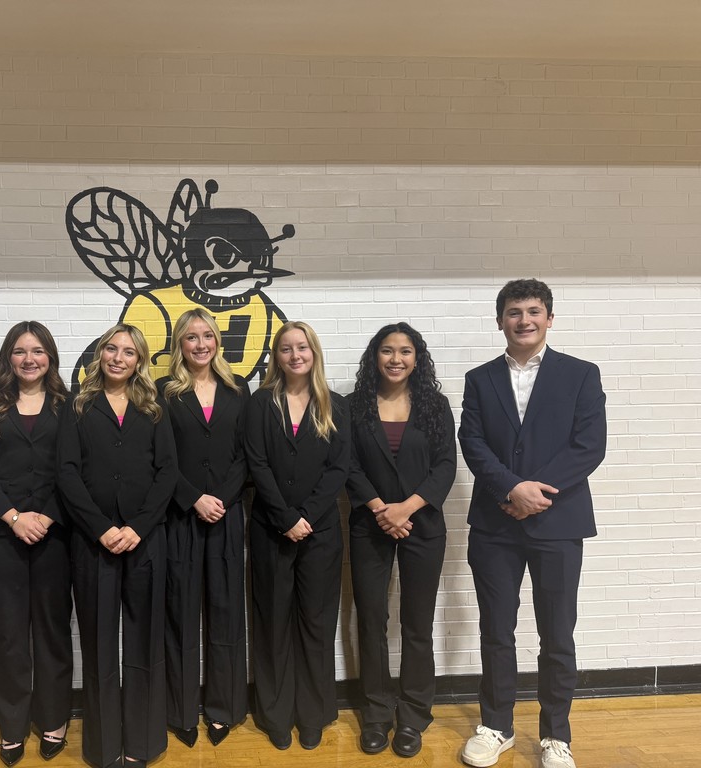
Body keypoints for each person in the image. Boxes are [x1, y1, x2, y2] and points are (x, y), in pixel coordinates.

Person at [458, 279, 606, 768]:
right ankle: (496, 726)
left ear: (550, 318)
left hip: (559, 524)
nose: (525, 320)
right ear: (499, 319)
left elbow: (589, 446)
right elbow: (473, 443)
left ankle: (554, 737)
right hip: (495, 524)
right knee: (496, 631)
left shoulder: (581, 374)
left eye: (534, 311)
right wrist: (511, 489)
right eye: (514, 311)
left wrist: (534, 492)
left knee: (557, 634)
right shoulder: (479, 379)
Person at [57, 324, 178, 768]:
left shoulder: (154, 407)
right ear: (100, 353)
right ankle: (104, 747)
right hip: (94, 542)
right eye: (112, 348)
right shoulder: (78, 406)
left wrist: (139, 526)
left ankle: (142, 744)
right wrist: (101, 528)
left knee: (145, 642)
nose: (118, 357)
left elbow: (167, 472)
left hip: (145, 540)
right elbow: (67, 473)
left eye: (129, 352)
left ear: (139, 360)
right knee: (99, 643)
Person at [0, 322, 73, 766]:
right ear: (9, 357)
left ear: (50, 357)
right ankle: (12, 725)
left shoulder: (70, 408)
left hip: (55, 536)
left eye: (39, 350)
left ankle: (53, 718)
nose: (30, 359)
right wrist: (13, 517)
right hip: (2, 536)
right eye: (21, 351)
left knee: (52, 632)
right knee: (9, 634)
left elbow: (75, 469)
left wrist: (44, 516)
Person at [346, 323, 457, 759]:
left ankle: (413, 717)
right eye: (387, 351)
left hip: (422, 525)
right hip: (368, 525)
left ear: (417, 358)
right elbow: (348, 465)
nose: (396, 359)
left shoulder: (435, 405)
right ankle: (376, 714)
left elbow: (446, 465)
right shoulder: (354, 406)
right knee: (371, 622)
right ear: (375, 356)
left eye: (405, 351)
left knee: (417, 624)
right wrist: (380, 509)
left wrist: (405, 509)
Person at [244, 321, 350, 751]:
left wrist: (306, 515)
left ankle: (313, 713)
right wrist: (286, 516)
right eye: (286, 349)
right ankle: (274, 714)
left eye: (302, 347)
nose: (295, 355)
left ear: (313, 352)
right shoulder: (258, 404)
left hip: (320, 532)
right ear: (276, 356)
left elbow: (338, 468)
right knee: (272, 623)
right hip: (272, 529)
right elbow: (256, 463)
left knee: (316, 624)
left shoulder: (336, 406)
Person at [156, 310, 249, 749]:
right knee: (180, 614)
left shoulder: (238, 388)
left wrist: (222, 500)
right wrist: (193, 498)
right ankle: (180, 709)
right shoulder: (164, 392)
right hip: (181, 516)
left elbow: (247, 454)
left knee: (226, 613)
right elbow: (160, 458)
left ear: (217, 341)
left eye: (206, 336)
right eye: (191, 337)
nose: (199, 344)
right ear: (180, 343)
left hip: (227, 516)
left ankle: (222, 708)